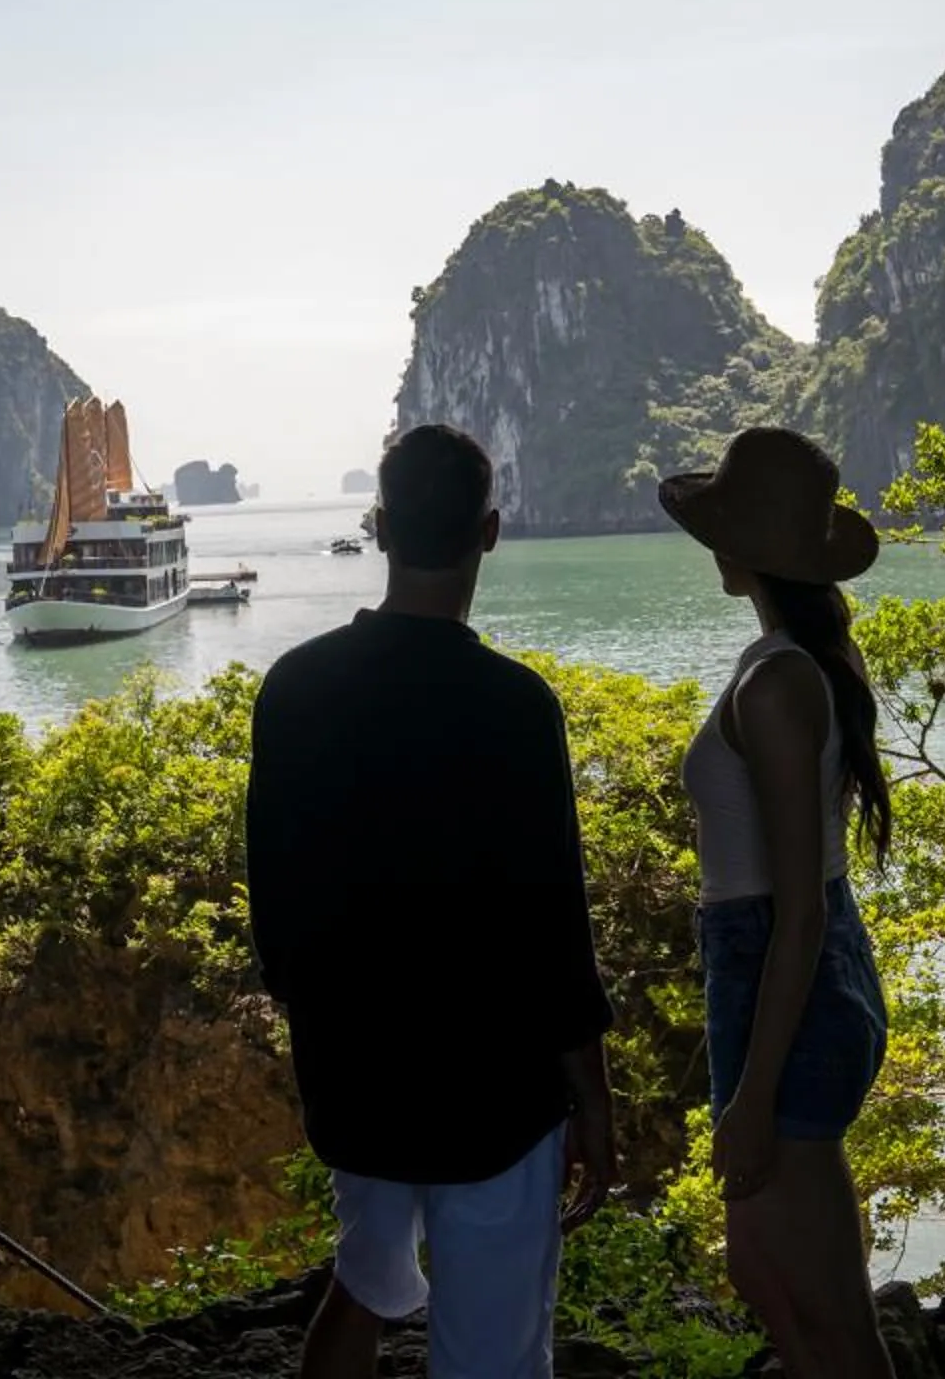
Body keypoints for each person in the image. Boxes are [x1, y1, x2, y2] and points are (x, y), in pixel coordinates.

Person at [246, 423, 617, 1379]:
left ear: (377, 526)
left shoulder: (294, 690)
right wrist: (593, 1098)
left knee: (364, 1284)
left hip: (358, 1081)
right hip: (497, 1093)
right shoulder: (517, 707)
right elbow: (554, 928)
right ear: (489, 532)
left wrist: (338, 1023)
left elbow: (278, 926)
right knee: (493, 1354)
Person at [657, 426, 897, 1379]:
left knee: (835, 1316)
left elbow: (797, 907)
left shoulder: (781, 681)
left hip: (782, 982)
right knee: (763, 1268)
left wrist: (752, 1098)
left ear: (743, 550)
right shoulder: (785, 662)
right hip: (771, 973)